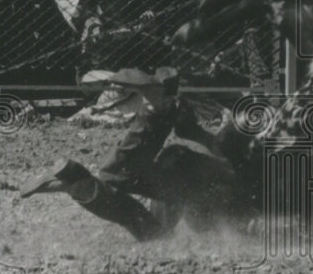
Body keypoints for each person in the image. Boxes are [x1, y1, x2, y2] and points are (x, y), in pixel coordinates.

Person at [20, 67, 238, 241]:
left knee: (153, 231)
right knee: (117, 179)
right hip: (200, 179)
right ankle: (158, 110)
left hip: (188, 175)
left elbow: (194, 134)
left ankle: (76, 182)